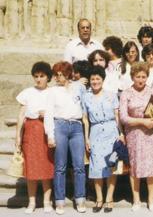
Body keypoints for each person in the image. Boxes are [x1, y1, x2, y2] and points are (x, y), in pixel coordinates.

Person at [119, 62, 153, 211]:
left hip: (152, 134)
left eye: (144, 76)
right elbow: (123, 117)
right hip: (134, 135)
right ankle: (136, 200)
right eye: (138, 76)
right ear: (132, 77)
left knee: (152, 166)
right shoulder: (126, 93)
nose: (141, 79)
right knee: (135, 167)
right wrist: (142, 122)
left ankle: (151, 199)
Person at [44, 61, 87, 214]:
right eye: (56, 75)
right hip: (60, 126)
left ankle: (80, 198)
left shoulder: (79, 88)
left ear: (68, 74)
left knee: (79, 166)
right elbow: (48, 114)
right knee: (60, 166)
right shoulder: (53, 91)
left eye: (60, 75)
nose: (57, 78)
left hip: (76, 127)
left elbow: (84, 106)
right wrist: (50, 135)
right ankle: (60, 200)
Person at [82, 66, 124, 213]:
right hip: (95, 132)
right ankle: (99, 199)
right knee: (96, 166)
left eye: (97, 79)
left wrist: (121, 133)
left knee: (111, 166)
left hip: (111, 131)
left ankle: (109, 199)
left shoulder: (111, 95)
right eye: (92, 79)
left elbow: (117, 116)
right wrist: (86, 138)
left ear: (102, 79)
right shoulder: (86, 97)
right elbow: (86, 119)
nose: (95, 82)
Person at [15, 61, 54, 214]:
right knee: (31, 168)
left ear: (48, 77)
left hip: (46, 131)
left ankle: (46, 201)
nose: (39, 79)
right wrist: (18, 136)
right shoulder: (27, 92)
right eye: (36, 76)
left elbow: (60, 111)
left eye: (42, 76)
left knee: (46, 167)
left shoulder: (53, 92)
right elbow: (21, 115)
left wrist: (49, 114)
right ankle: (31, 202)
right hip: (31, 132)